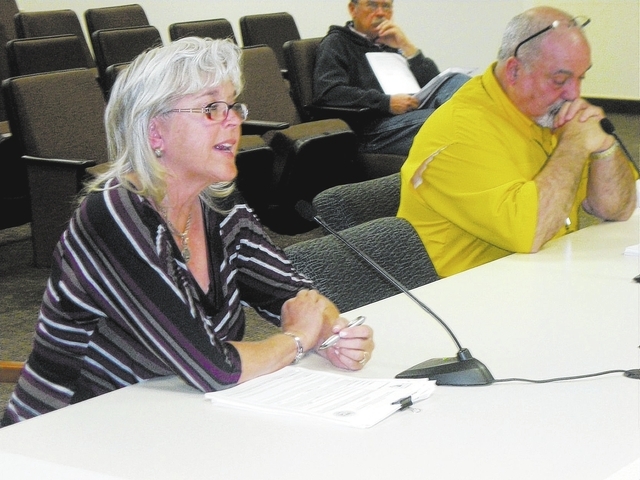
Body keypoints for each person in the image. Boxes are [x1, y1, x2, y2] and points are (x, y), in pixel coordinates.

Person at [1, 37, 374, 427]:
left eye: (233, 106)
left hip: (175, 420)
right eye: (212, 108)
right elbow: (214, 368)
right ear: (155, 132)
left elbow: (295, 294)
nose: (233, 120)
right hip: (70, 429)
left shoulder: (219, 203)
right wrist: (297, 340)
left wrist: (333, 333)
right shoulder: (113, 215)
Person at [397, 6, 638, 278]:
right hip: (464, 293)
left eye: (580, 77)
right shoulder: (460, 130)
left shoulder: (548, 113)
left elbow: (616, 208)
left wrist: (604, 147)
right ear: (514, 71)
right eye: (560, 80)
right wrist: (573, 146)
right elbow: (531, 233)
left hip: (536, 277)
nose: (575, 94)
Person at [313, 0, 469, 156]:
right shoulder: (337, 42)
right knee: (446, 120)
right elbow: (329, 92)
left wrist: (406, 47)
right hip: (373, 129)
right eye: (372, 5)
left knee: (458, 81)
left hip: (411, 110)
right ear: (353, 9)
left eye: (386, 6)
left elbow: (436, 83)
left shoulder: (390, 41)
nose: (381, 12)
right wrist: (386, 102)